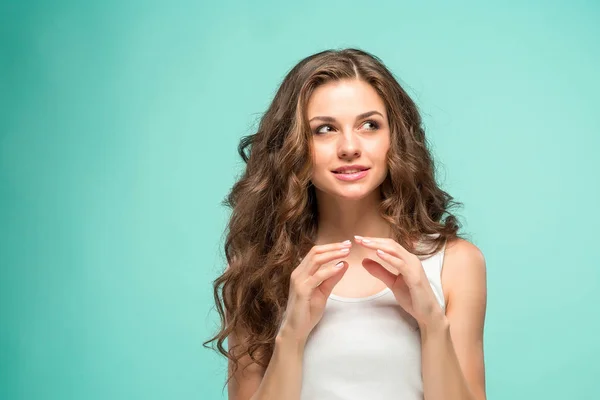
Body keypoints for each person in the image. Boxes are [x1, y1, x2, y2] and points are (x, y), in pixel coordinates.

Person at [204, 48, 487, 400]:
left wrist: (432, 321)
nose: (349, 147)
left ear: (394, 137)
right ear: (293, 146)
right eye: (324, 129)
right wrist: (291, 334)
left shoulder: (456, 264)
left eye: (370, 125)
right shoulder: (256, 269)